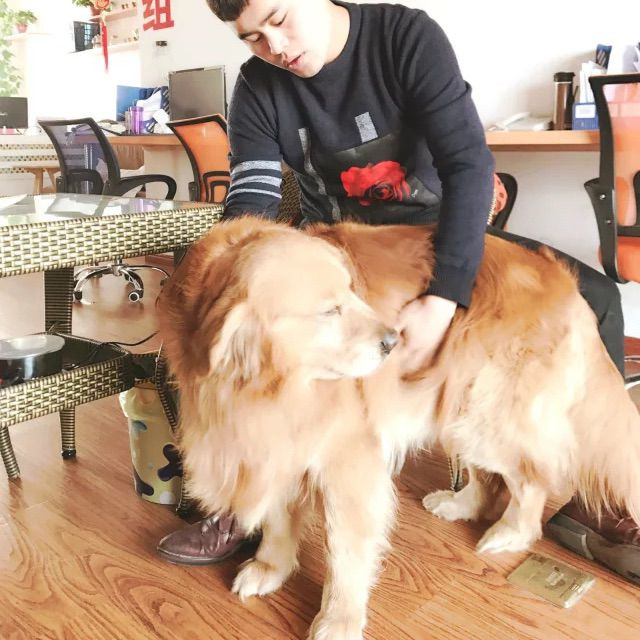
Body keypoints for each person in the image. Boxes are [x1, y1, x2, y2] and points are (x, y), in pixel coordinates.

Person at [157, 0, 638, 584]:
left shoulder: (404, 37)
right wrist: (230, 275)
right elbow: (252, 197)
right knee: (252, 359)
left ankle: (601, 503)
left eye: (279, 20)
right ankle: (241, 499)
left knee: (597, 299)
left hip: (433, 233)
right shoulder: (259, 85)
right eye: (252, 38)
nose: (274, 48)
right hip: (334, 250)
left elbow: (468, 165)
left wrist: (444, 296)